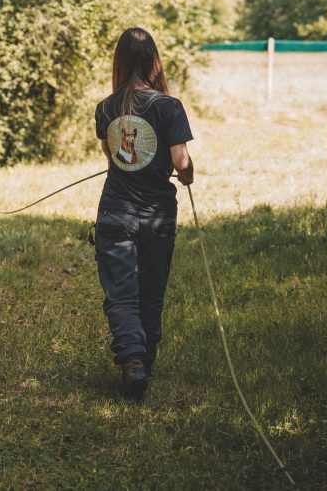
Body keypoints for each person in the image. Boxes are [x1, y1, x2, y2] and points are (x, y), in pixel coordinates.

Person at [93, 26, 194, 400]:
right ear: (153, 61)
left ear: (119, 62)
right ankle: (143, 362)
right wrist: (187, 174)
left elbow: (114, 156)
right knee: (151, 291)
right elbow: (180, 161)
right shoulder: (170, 107)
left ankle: (132, 361)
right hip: (158, 218)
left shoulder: (106, 108)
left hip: (115, 213)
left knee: (121, 294)